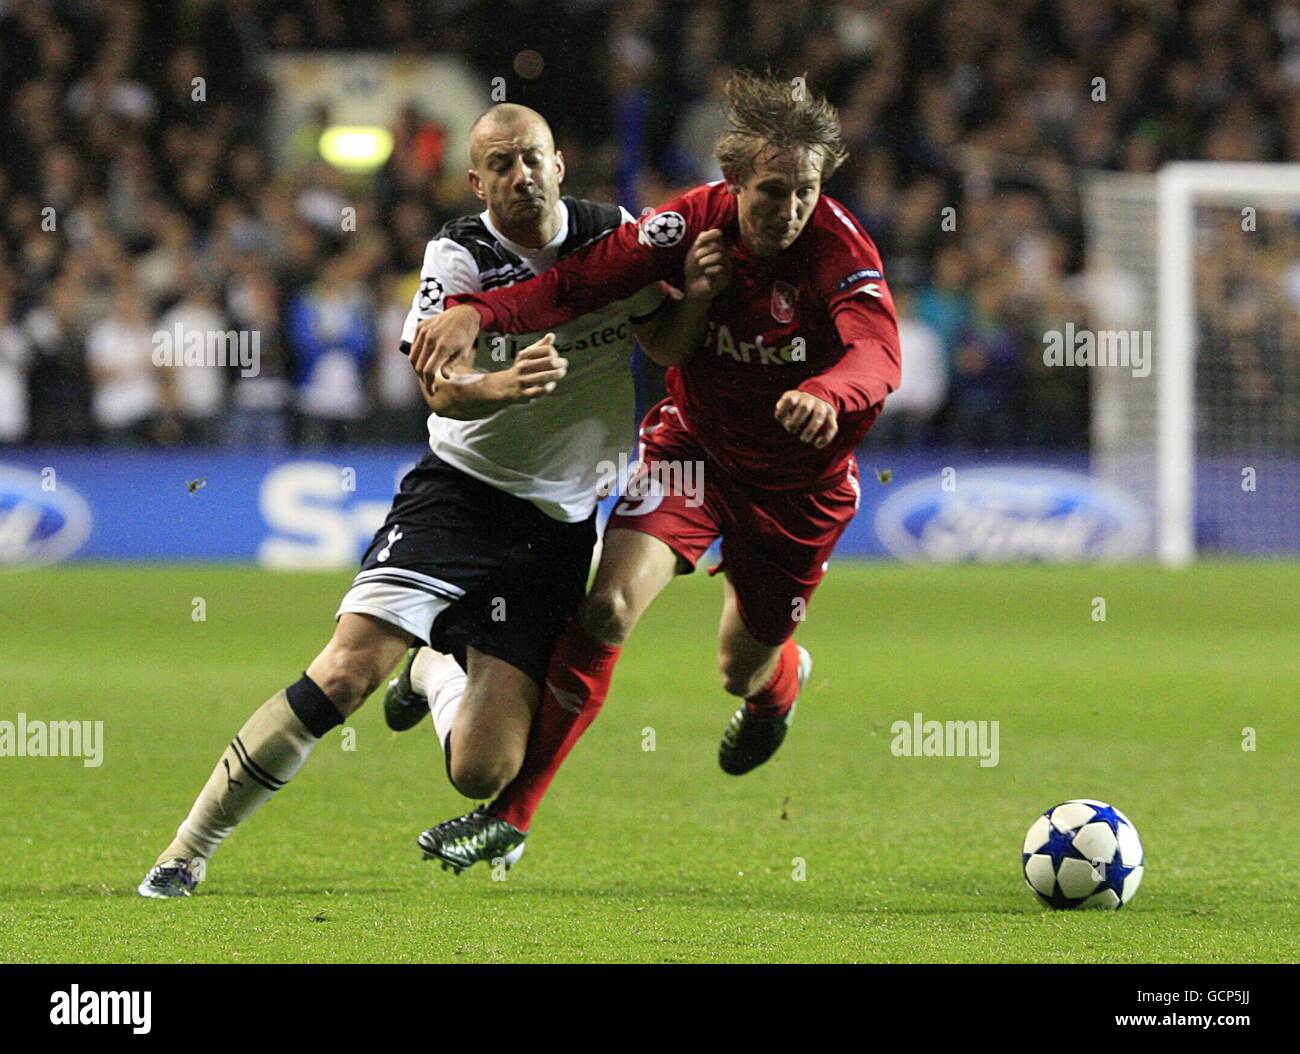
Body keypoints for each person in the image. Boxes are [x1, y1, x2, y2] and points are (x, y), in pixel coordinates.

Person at [137, 103, 664, 896]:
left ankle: (431, 673)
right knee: (345, 672)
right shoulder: (460, 255)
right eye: (502, 164)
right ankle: (186, 850)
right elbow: (438, 390)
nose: (521, 176)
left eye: (534, 159)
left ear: (560, 164)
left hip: (560, 526)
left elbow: (667, 337)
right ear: (476, 179)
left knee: (483, 770)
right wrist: (498, 384)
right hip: (461, 498)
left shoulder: (614, 237)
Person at [406, 72, 901, 872]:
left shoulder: (839, 248)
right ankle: (514, 816)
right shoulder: (687, 224)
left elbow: (877, 352)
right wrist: (479, 313)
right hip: (691, 453)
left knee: (741, 663)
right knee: (603, 610)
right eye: (773, 191)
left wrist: (826, 391)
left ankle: (778, 687)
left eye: (805, 189)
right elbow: (580, 282)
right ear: (735, 181)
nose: (790, 209)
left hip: (798, 488)